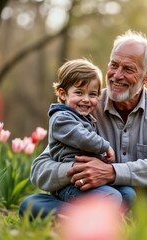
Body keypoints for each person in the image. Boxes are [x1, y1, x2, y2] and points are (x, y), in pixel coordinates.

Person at [19, 30, 147, 221]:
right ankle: (119, 222)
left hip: (143, 200)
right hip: (95, 197)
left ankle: (100, 221)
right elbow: (40, 169)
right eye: (114, 65)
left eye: (128, 69)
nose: (116, 75)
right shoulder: (85, 106)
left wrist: (111, 173)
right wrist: (79, 171)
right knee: (31, 204)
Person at [46, 58, 135, 206]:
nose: (86, 100)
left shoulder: (86, 118)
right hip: (70, 185)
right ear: (62, 94)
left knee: (128, 194)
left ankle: (114, 220)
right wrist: (105, 147)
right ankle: (76, 216)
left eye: (92, 94)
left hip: (91, 181)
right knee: (111, 197)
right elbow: (81, 137)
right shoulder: (61, 118)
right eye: (79, 93)